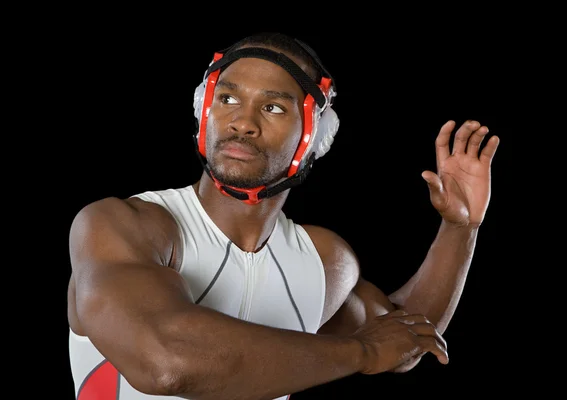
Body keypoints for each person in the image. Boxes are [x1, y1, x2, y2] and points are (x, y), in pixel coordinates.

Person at [67, 31, 500, 400]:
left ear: (314, 136)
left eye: (273, 107)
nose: (242, 122)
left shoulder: (324, 260)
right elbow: (164, 359)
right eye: (228, 98)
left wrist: (460, 228)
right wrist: (361, 354)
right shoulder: (127, 225)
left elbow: (404, 337)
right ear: (204, 111)